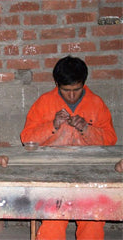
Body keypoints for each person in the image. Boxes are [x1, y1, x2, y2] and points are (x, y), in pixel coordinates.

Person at [20, 55, 117, 240]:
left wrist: (86, 129)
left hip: (89, 173)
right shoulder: (44, 102)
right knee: (53, 220)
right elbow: (27, 139)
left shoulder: (96, 103)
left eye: (76, 89)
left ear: (84, 83)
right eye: (66, 90)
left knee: (93, 218)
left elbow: (111, 140)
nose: (72, 95)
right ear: (57, 84)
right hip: (51, 173)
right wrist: (53, 126)